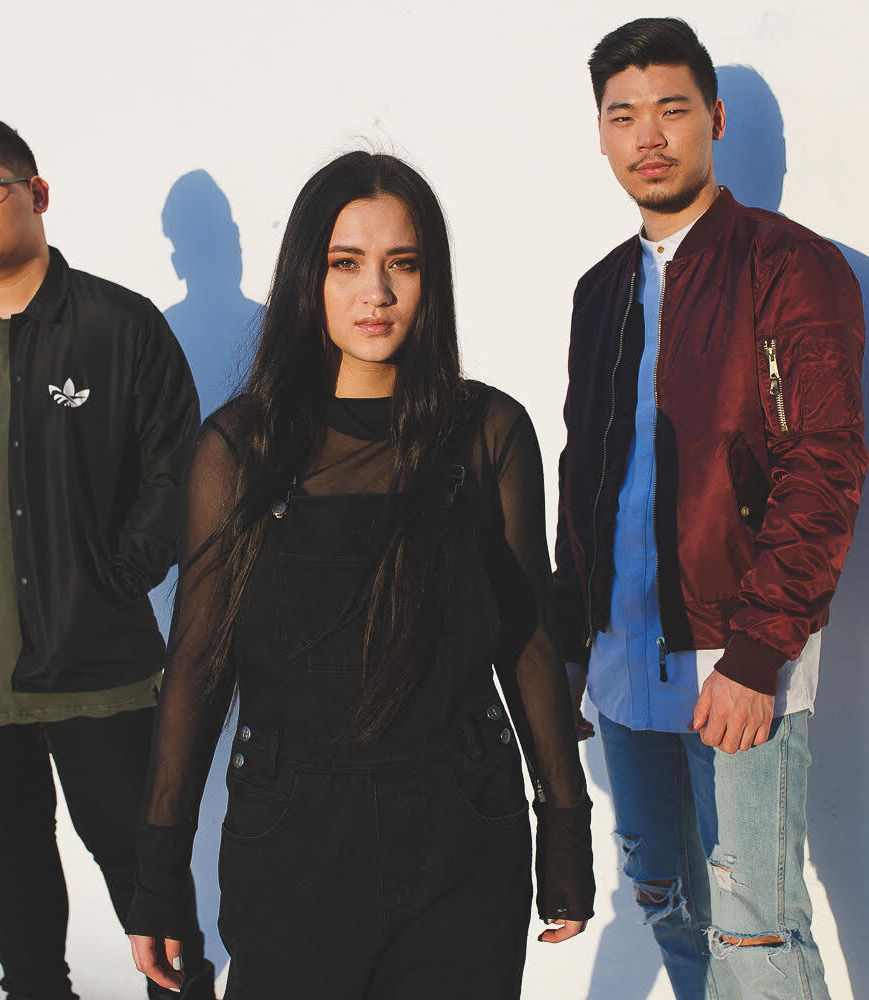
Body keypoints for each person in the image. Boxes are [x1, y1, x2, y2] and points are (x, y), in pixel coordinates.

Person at [125, 151, 595, 999]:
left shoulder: (488, 431)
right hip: (291, 842)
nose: (375, 292)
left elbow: (526, 637)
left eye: (401, 264)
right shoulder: (239, 448)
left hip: (463, 836)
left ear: (431, 279)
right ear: (308, 277)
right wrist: (158, 871)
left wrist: (565, 826)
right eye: (346, 263)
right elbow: (197, 665)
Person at [0, 111, 215, 1000]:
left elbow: (178, 470)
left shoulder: (118, 326)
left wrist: (112, 580)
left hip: (91, 659)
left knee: (136, 855)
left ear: (36, 192)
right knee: (9, 844)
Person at [553, 19, 866, 1000]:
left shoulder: (789, 266)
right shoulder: (600, 291)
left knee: (755, 932)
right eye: (624, 116)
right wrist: (569, 646)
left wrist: (758, 653)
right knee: (669, 906)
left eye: (672, 109)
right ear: (601, 134)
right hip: (623, 668)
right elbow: (583, 475)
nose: (648, 136)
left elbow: (824, 465)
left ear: (715, 120)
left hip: (737, 662)